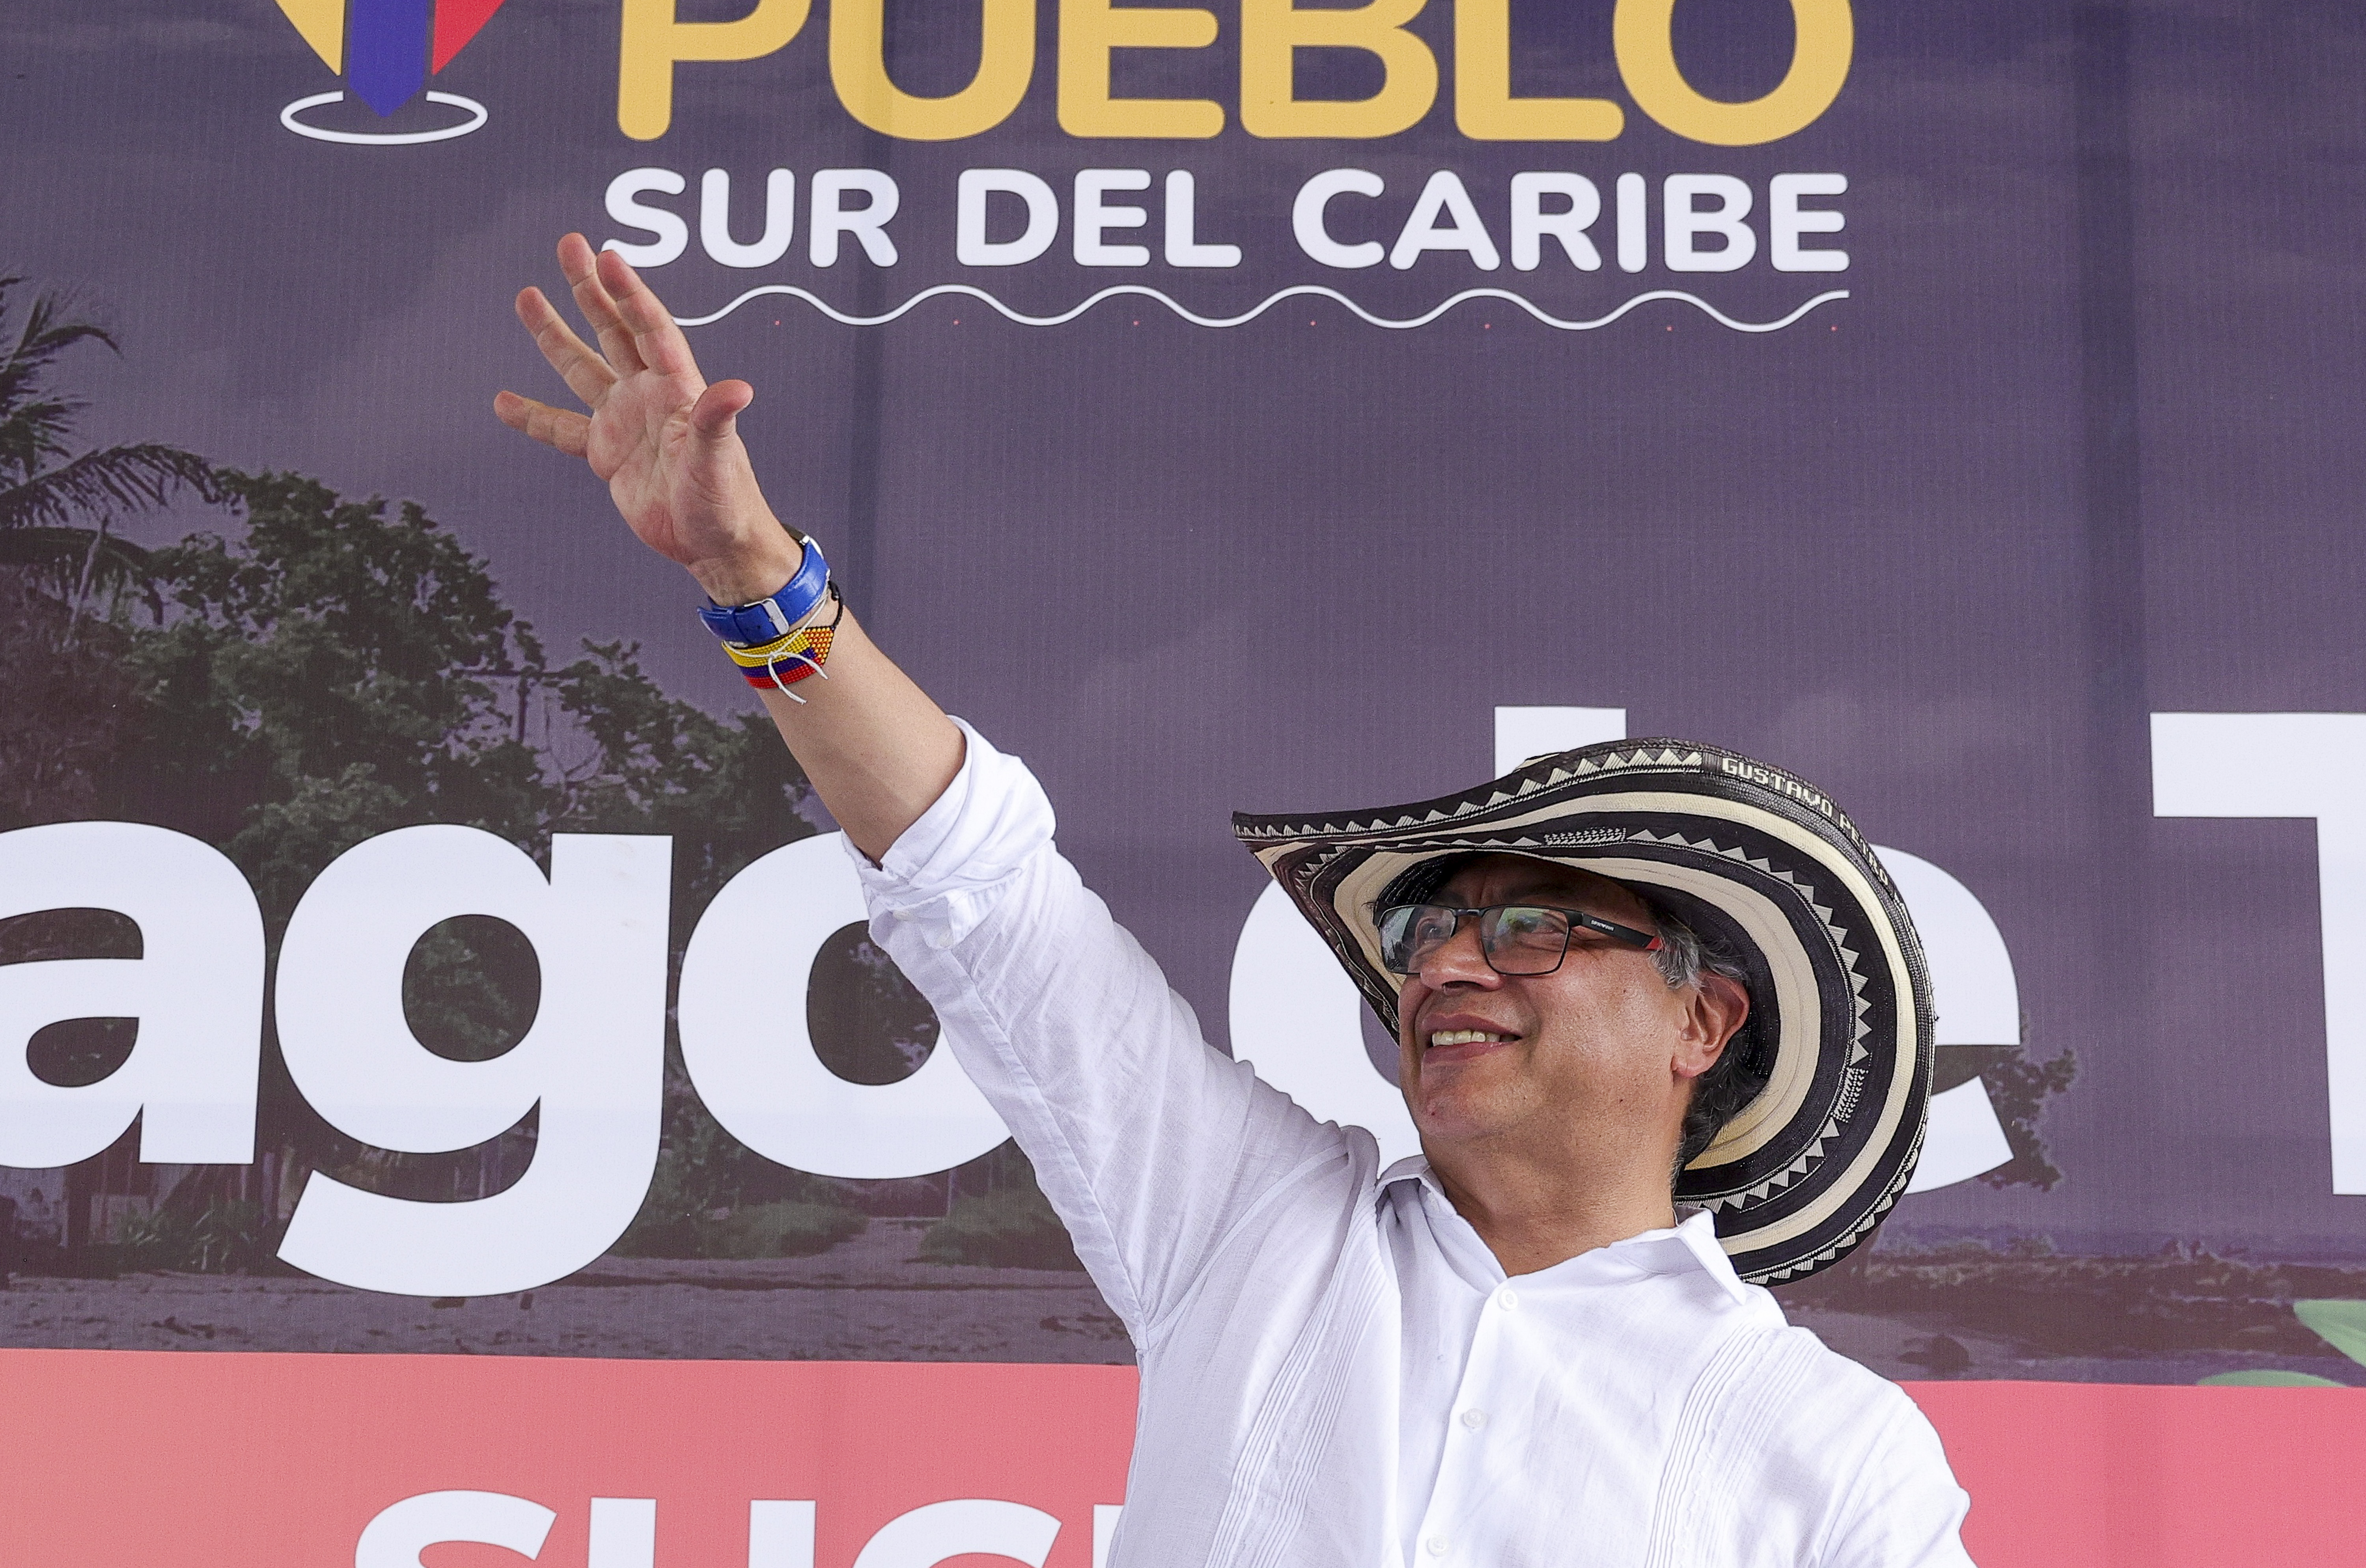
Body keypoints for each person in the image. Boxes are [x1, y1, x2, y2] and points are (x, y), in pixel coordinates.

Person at [495, 234, 1977, 1567]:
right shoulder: (1262, 1229)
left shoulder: (1835, 1460)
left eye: (1528, 925)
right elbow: (987, 897)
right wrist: (754, 576)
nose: (1450, 964)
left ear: (1702, 1019)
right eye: (1423, 930)